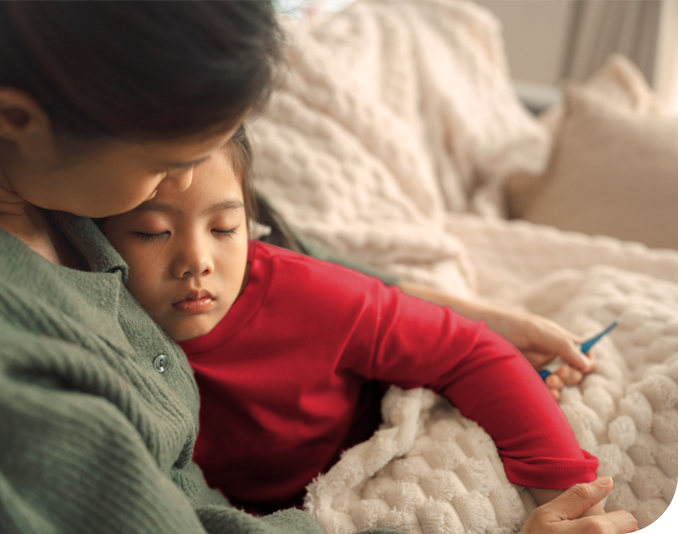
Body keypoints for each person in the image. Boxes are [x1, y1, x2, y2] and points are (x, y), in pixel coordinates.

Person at [0, 3, 642, 534]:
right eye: (162, 173)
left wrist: (457, 309)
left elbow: (294, 260)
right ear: (14, 118)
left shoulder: (38, 166)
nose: (193, 246)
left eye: (225, 223)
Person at [101, 127, 600, 516]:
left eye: (224, 229)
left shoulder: (307, 294)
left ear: (249, 225)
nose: (197, 261)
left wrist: (568, 496)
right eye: (153, 232)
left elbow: (473, 351)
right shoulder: (99, 334)